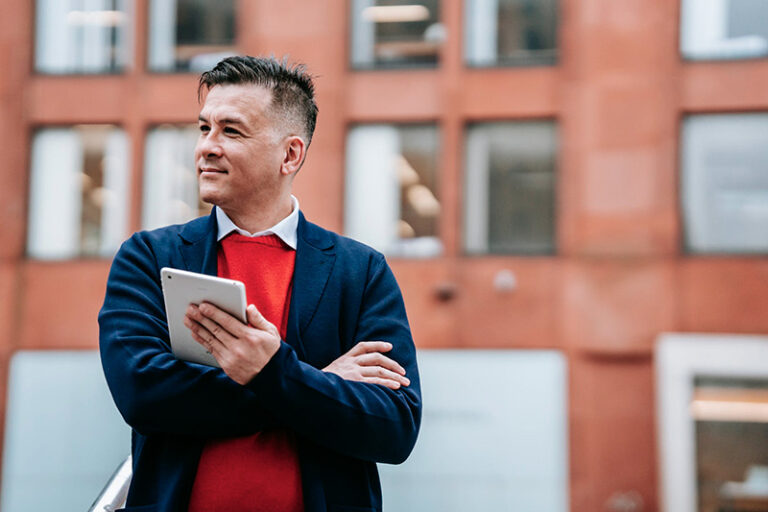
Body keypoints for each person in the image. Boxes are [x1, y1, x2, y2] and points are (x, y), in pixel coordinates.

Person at [99, 55, 421, 512]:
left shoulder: (360, 272)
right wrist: (311, 381)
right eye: (203, 128)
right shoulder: (151, 258)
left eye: (231, 131)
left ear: (290, 154)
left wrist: (275, 373)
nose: (207, 147)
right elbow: (144, 395)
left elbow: (394, 428)